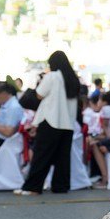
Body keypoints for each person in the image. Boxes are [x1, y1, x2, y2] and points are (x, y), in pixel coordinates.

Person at [18, 51, 82, 195]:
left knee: (41, 155)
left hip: (51, 120)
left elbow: (39, 94)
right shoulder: (73, 79)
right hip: (67, 123)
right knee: (62, 157)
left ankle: (33, 187)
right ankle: (61, 186)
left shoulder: (52, 76)